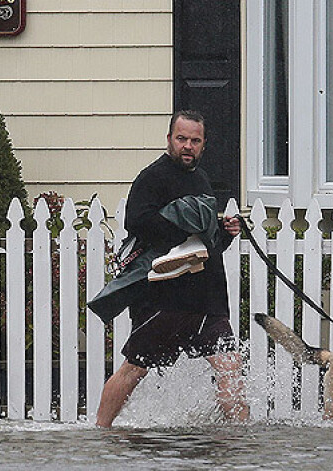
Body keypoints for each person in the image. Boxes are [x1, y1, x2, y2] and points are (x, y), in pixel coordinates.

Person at [95, 110, 248, 427]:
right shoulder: (152, 178)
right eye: (182, 139)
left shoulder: (203, 179)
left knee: (230, 368)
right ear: (169, 140)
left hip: (208, 299)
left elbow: (205, 241)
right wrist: (180, 221)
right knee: (134, 368)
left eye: (195, 140)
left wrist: (226, 232)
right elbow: (136, 223)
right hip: (163, 300)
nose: (188, 146)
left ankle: (238, 441)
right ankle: (100, 430)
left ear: (203, 144)